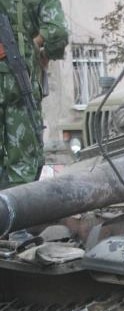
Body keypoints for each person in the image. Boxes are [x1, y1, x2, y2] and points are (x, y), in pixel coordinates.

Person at [0, 0, 68, 187]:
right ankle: (14, 211)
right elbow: (57, 32)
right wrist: (44, 52)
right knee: (24, 165)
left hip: (18, 74)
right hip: (19, 80)